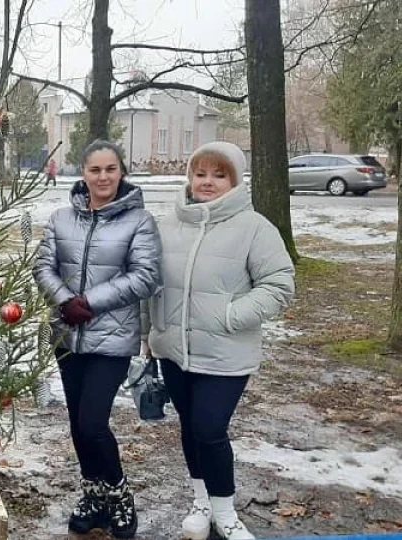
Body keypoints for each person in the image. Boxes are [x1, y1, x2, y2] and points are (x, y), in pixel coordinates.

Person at [144, 142, 294, 540]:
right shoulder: (167, 224)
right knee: (189, 428)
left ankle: (225, 512)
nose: (207, 182)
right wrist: (149, 331)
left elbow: (279, 285)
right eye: (201, 173)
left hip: (226, 354)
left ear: (234, 180)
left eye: (218, 174)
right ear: (190, 177)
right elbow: (151, 286)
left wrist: (230, 316)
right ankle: (201, 502)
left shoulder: (254, 228)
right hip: (173, 351)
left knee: (209, 428)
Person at [33, 139, 161, 539]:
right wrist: (64, 300)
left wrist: (89, 301)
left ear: (121, 172)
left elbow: (145, 275)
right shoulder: (60, 218)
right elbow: (43, 264)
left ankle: (119, 493)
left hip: (112, 338)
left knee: (92, 423)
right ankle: (93, 494)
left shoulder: (139, 222)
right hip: (67, 338)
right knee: (77, 424)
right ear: (83, 173)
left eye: (110, 169)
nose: (103, 177)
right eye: (95, 170)